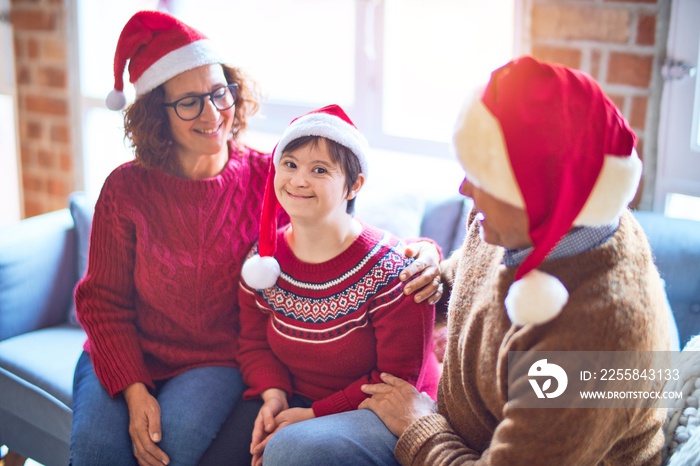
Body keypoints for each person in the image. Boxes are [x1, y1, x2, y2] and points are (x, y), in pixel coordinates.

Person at [70, 10, 442, 466]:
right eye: (189, 102)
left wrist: (425, 252)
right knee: (97, 454)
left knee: (170, 449)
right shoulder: (125, 188)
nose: (212, 113)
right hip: (127, 350)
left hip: (214, 360)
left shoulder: (274, 176)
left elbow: (347, 229)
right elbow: (101, 303)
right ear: (155, 115)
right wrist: (134, 391)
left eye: (218, 92)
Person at [266, 56, 673, 465]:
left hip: (463, 447)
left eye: (481, 178)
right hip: (450, 429)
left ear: (536, 193)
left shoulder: (598, 338)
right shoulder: (520, 222)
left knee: (294, 449)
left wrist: (417, 426)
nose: (464, 189)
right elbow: (470, 280)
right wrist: (431, 275)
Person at [235, 105, 441, 466]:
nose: (299, 180)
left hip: (384, 411)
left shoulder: (395, 272)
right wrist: (273, 395)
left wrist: (314, 414)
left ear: (354, 185)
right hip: (295, 400)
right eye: (290, 164)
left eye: (319, 170)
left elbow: (393, 385)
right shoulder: (263, 262)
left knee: (290, 451)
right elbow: (253, 342)